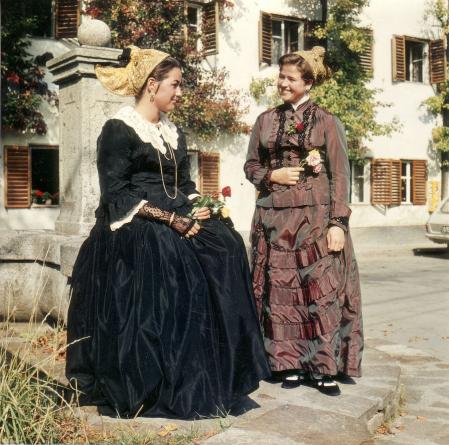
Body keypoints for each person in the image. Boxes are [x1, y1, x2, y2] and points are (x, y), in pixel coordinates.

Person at [66, 46, 270, 419]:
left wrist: (197, 206)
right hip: (133, 222)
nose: (179, 93)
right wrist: (171, 220)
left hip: (173, 211)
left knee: (226, 244)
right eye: (174, 85)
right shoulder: (118, 129)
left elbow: (186, 183)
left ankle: (218, 374)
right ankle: (164, 381)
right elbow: (117, 193)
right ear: (151, 85)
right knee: (173, 257)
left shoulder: (174, 132)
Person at [244, 47, 363, 396]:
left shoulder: (326, 121)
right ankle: (289, 364)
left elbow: (341, 174)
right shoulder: (265, 120)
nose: (282, 83)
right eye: (280, 76)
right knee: (282, 295)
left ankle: (324, 367)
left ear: (308, 82)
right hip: (274, 220)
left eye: (290, 78)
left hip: (315, 220)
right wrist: (272, 175)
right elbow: (250, 165)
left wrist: (338, 223)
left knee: (319, 293)